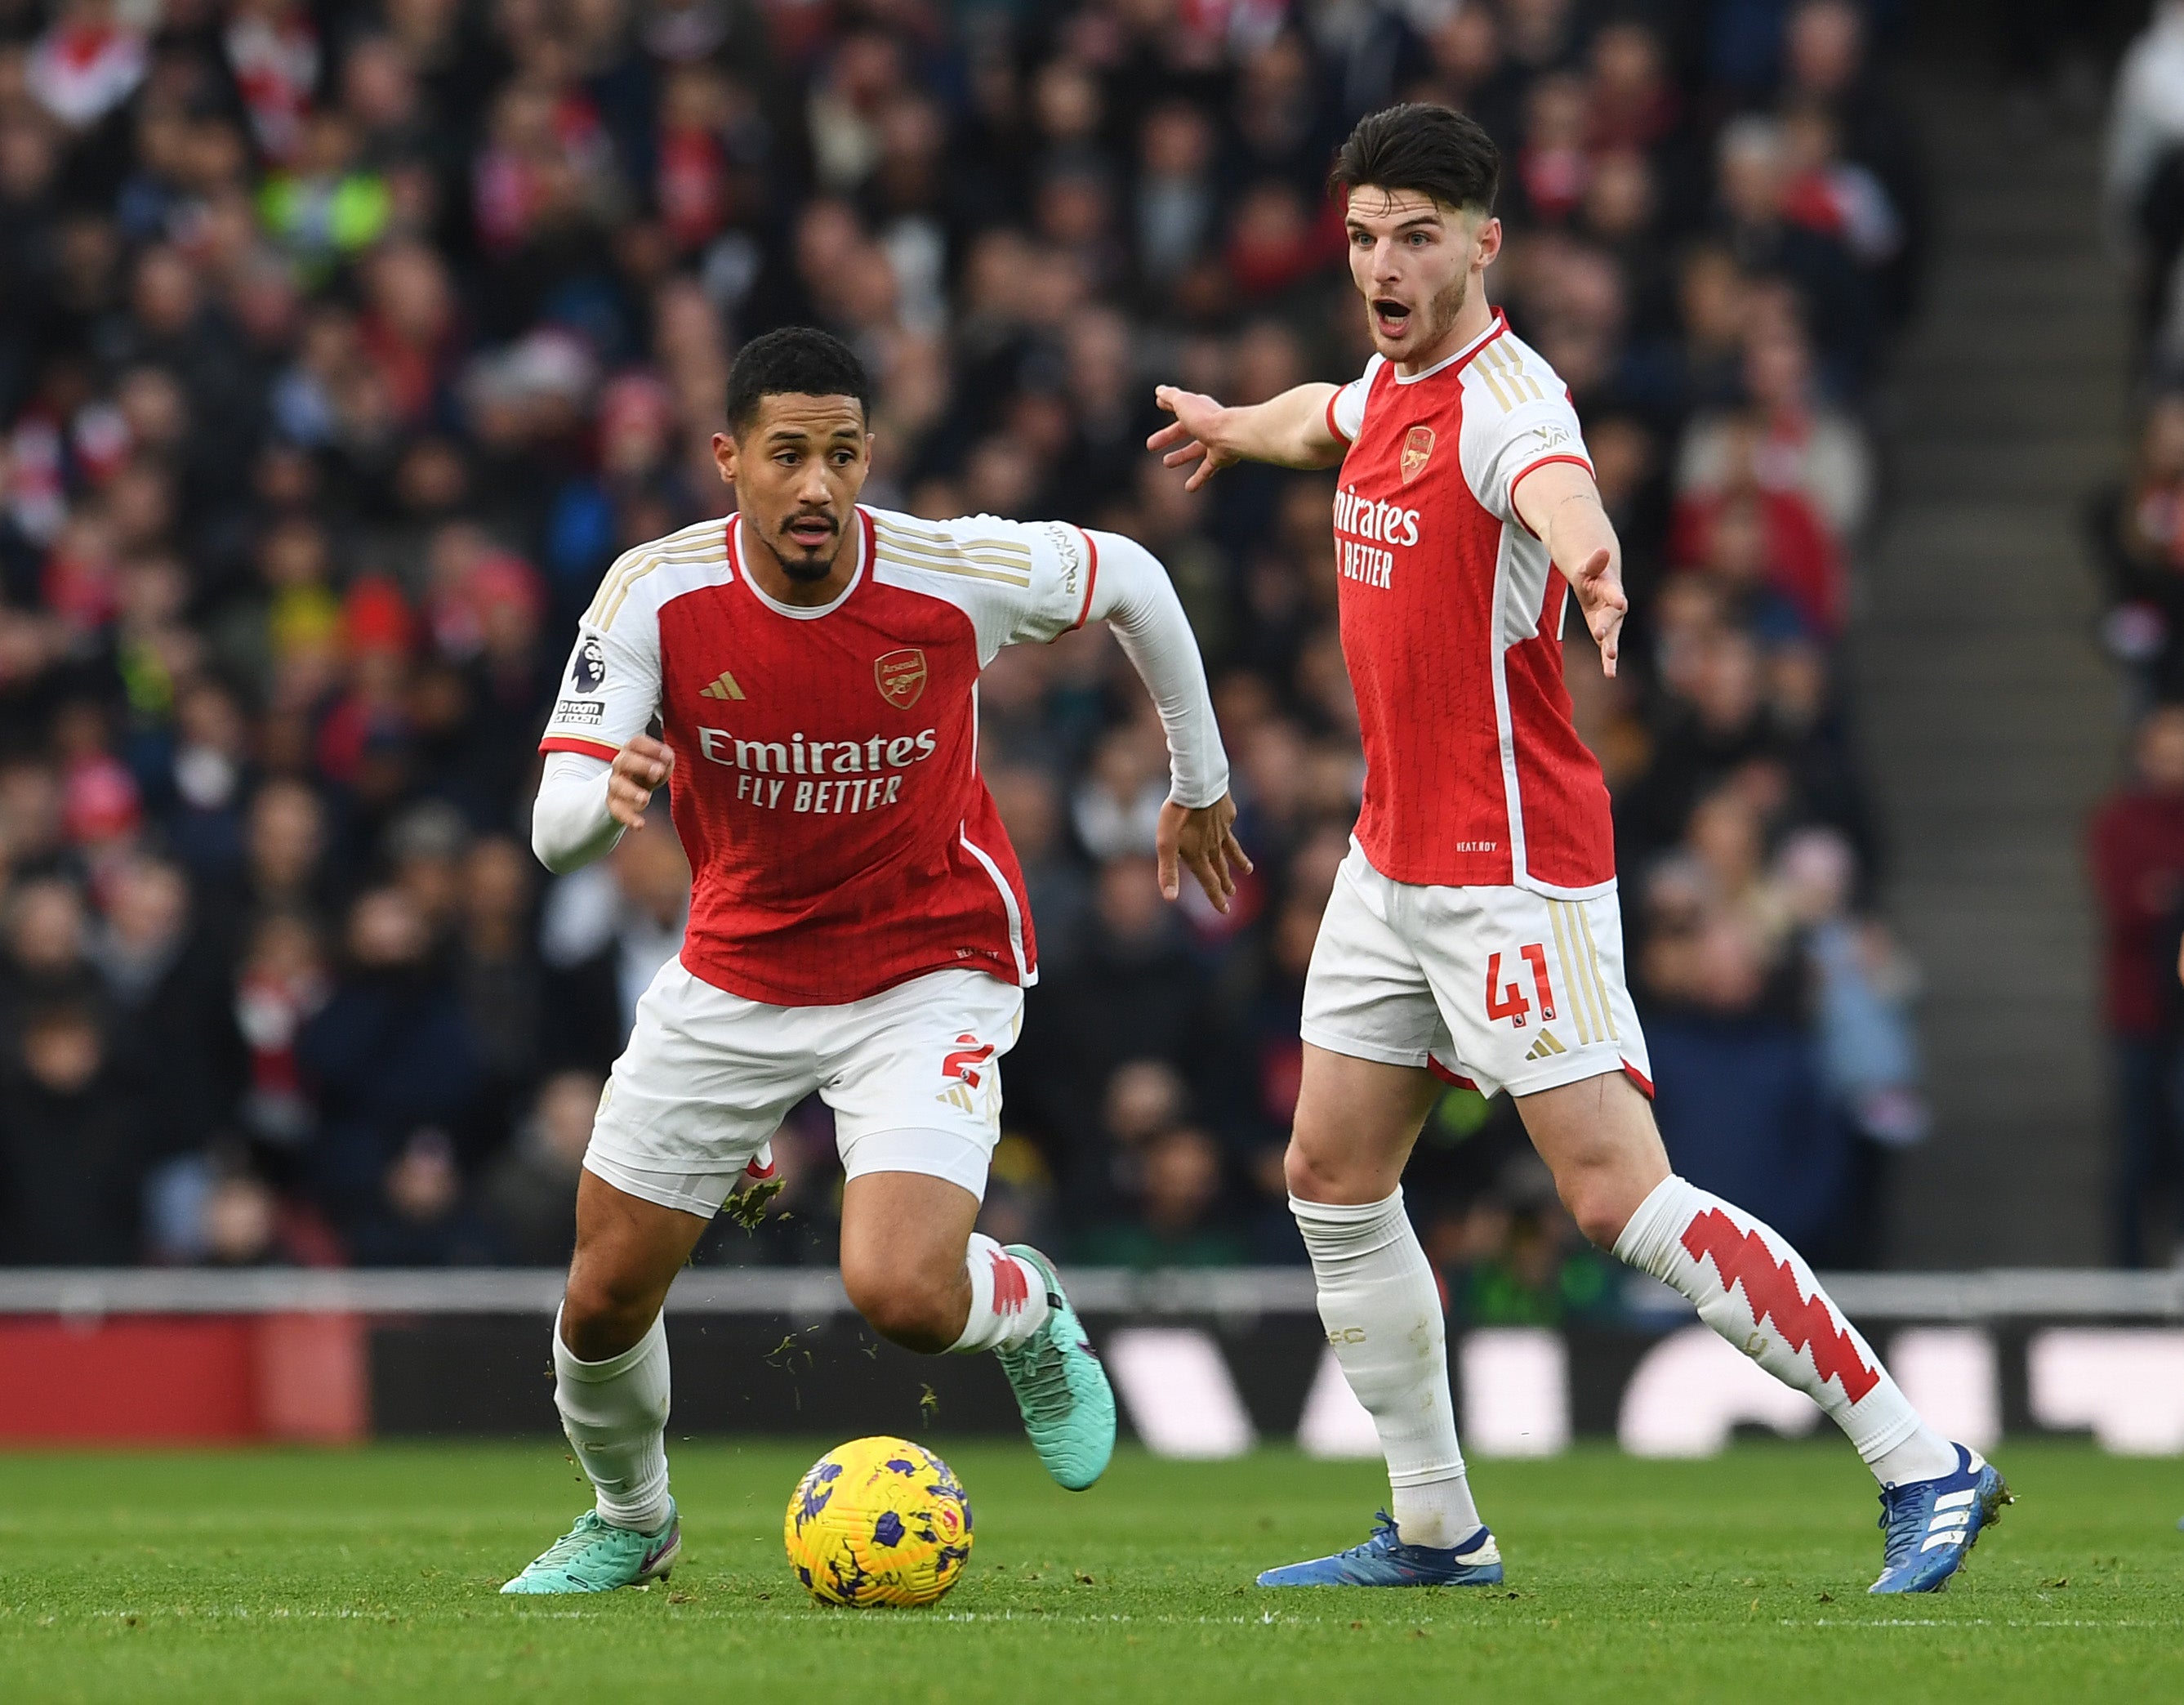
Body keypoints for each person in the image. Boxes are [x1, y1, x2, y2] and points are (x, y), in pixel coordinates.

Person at [1147, 103, 2001, 1596]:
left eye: (1417, 236)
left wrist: (1593, 559)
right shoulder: (1388, 384)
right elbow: (1321, 418)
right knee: (1332, 1178)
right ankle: (1434, 1529)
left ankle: (1921, 1458)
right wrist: (1233, 425)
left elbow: (1557, 488)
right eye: (1364, 236)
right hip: (1389, 863)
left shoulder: (1505, 406)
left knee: (1619, 1203)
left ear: (1486, 243)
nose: (1383, 264)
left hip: (1510, 869)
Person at [501, 326, 1244, 1594]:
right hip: (735, 971)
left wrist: (1201, 780)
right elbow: (553, 832)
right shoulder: (654, 594)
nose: (816, 486)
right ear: (728, 459)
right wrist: (606, 793)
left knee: (901, 1289)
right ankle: (634, 1520)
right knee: (601, 1302)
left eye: (841, 455)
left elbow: (1130, 576)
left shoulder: (947, 571)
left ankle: (1021, 1301)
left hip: (928, 965)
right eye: (786, 455)